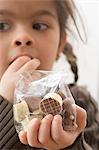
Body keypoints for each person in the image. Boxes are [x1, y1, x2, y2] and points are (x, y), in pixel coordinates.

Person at [0, 0, 99, 150]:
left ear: (60, 44)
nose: (23, 37)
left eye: (39, 26)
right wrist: (4, 106)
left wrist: (70, 145)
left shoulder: (79, 104)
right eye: (2, 26)